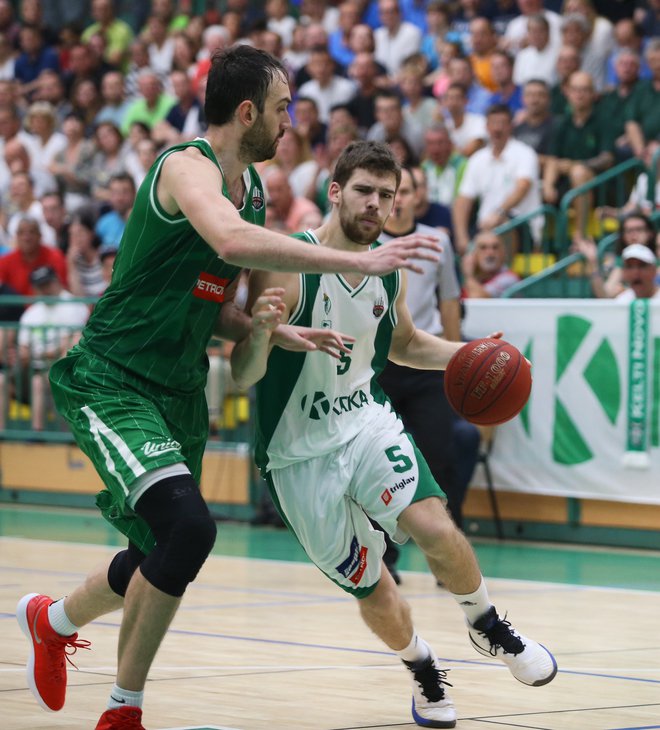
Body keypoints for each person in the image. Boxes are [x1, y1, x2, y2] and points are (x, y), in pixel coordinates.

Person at [15, 46, 440, 730]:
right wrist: (355, 258)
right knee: (189, 529)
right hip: (113, 379)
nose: (288, 120)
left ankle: (52, 620)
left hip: (179, 390)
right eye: (281, 108)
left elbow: (212, 298)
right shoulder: (187, 168)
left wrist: (275, 331)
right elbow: (232, 241)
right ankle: (123, 712)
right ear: (247, 113)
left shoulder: (252, 189)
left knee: (156, 550)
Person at [232, 140, 557, 729]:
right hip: (296, 452)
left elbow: (404, 344)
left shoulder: (386, 270)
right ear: (335, 192)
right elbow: (243, 373)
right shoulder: (287, 260)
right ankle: (423, 668)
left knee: (434, 522)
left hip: (365, 422)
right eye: (365, 191)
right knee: (374, 587)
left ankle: (488, 625)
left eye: (388, 194)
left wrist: (475, 354)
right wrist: (260, 334)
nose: (377, 204)